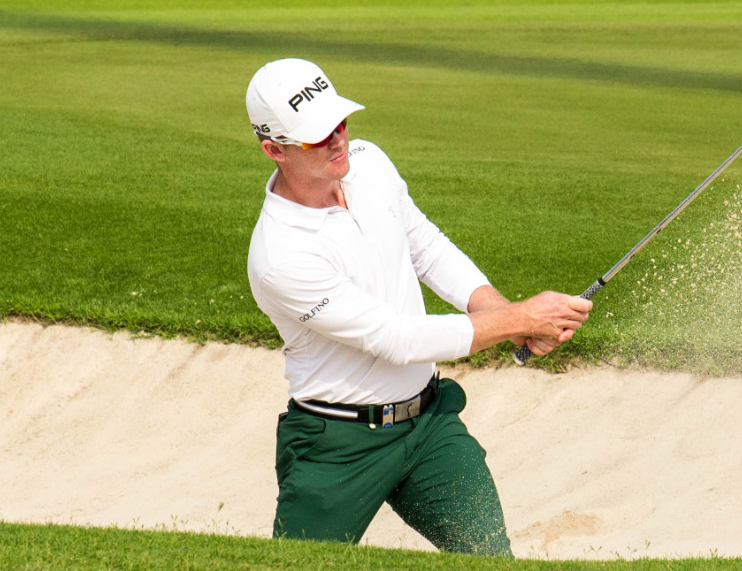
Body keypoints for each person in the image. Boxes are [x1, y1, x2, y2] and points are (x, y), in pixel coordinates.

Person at [243, 58, 589, 556]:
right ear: (273, 149)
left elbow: (423, 245)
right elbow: (397, 339)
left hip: (428, 427)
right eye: (319, 134)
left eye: (340, 122)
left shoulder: (369, 162)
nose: (339, 138)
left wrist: (500, 310)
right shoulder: (280, 255)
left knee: (490, 559)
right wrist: (522, 319)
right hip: (337, 447)